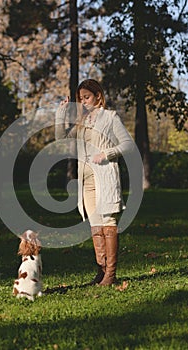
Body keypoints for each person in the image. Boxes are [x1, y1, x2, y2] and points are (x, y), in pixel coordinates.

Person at [55, 79, 134, 286]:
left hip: (105, 179)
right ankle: (101, 271)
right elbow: (62, 141)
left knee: (108, 224)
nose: (83, 102)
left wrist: (107, 153)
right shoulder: (82, 123)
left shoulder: (110, 118)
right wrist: (60, 114)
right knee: (96, 225)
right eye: (80, 99)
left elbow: (127, 144)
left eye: (87, 97)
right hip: (86, 182)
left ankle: (111, 274)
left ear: (98, 96)